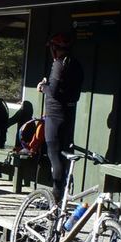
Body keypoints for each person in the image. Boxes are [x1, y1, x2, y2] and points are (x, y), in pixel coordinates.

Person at [37, 32, 84, 203]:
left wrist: (43, 86)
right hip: (68, 114)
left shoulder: (59, 64)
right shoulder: (76, 64)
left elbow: (54, 91)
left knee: (54, 154)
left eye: (52, 48)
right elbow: (73, 93)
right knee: (63, 154)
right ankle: (63, 193)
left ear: (56, 49)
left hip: (55, 116)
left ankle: (56, 196)